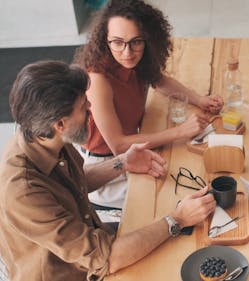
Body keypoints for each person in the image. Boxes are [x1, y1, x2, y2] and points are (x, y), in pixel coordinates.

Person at [0, 61, 216, 281]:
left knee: (187, 238)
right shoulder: (22, 192)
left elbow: (75, 182)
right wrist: (177, 219)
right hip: (78, 273)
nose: (90, 108)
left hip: (96, 240)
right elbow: (107, 259)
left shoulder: (44, 135)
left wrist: (122, 163)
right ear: (60, 124)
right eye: (84, 104)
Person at [73, 0, 223, 210]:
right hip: (107, 168)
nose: (127, 52)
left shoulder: (136, 61)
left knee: (194, 170)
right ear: (104, 40)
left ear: (147, 40)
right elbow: (119, 145)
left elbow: (159, 81)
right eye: (117, 42)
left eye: (136, 42)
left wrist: (199, 99)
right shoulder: (98, 80)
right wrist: (180, 131)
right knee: (179, 192)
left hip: (135, 150)